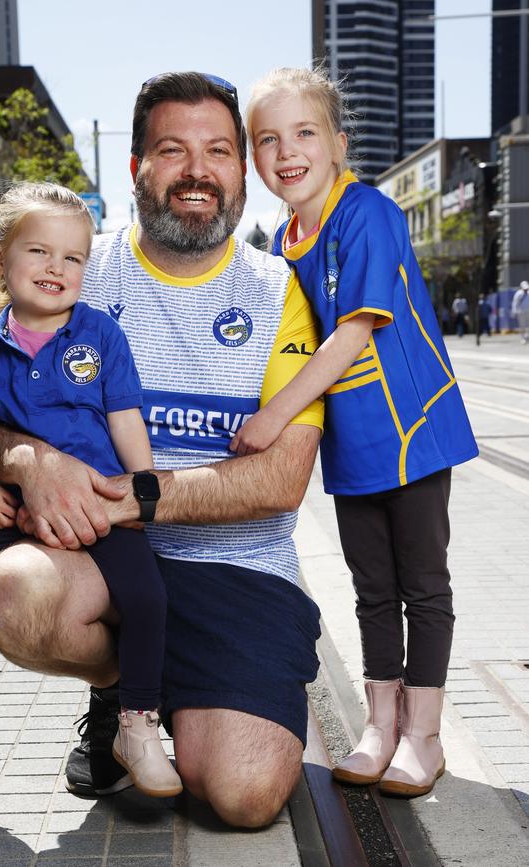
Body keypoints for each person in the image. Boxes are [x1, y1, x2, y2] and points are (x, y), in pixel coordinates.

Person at [0, 73, 325, 828]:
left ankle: (176, 691)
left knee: (245, 794)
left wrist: (142, 492)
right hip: (109, 558)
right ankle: (123, 690)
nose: (197, 170)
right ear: (136, 169)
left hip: (241, 567)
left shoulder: (281, 292)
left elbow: (284, 477)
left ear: (241, 171)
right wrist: (29, 459)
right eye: (172, 149)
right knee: (12, 596)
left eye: (219, 150)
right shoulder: (77, 274)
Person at [0, 182, 182, 798]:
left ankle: (137, 727)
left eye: (73, 258)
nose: (56, 268)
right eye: (39, 252)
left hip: (101, 505)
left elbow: (126, 417)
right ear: (0, 258)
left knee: (150, 600)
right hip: (12, 508)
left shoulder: (99, 334)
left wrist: (141, 488)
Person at [230, 67, 478, 798]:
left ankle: (424, 736)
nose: (287, 150)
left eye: (304, 132)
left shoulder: (367, 211)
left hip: (411, 428)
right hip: (350, 443)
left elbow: (352, 333)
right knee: (372, 588)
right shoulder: (284, 237)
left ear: (337, 143)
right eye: (267, 139)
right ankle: (379, 725)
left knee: (422, 585)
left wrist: (275, 418)